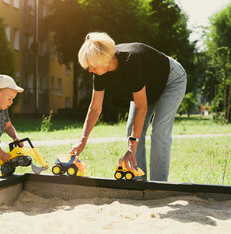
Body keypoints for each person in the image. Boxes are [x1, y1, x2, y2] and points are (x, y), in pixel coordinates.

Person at [70, 32, 187, 181]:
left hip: (170, 79)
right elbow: (95, 108)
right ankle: (138, 182)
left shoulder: (132, 59)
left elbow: (141, 107)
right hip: (147, 87)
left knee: (159, 131)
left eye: (91, 66)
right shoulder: (99, 72)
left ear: (104, 60)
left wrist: (131, 148)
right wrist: (83, 139)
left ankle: (159, 185)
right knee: (132, 128)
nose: (90, 70)